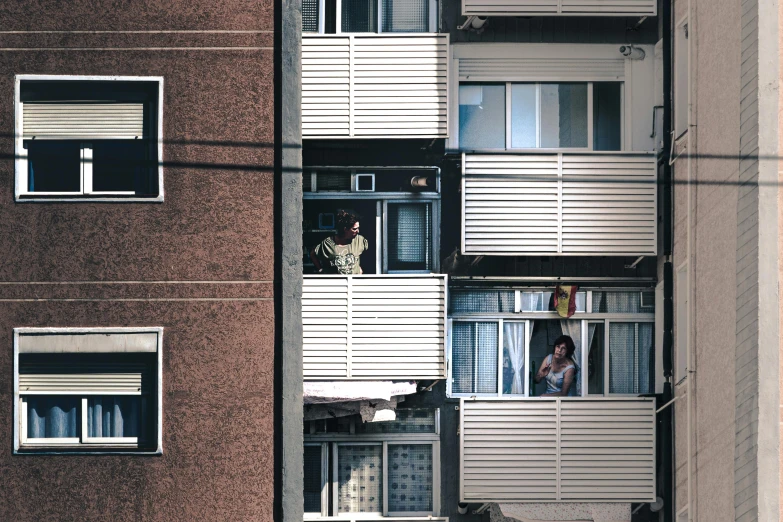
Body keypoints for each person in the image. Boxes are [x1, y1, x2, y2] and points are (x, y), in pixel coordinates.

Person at [310, 209, 368, 274]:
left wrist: (362, 268)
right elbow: (313, 254)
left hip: (354, 282)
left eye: (358, 228)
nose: (358, 231)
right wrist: (321, 270)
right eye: (354, 229)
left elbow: (371, 255)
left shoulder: (360, 241)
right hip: (337, 283)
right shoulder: (328, 243)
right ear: (345, 229)